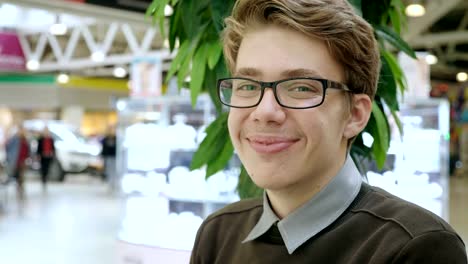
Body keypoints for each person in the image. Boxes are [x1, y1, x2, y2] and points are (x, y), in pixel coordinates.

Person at [190, 0, 467, 263]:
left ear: (355, 115)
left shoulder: (414, 248)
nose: (264, 112)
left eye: (300, 87)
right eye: (248, 86)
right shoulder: (218, 234)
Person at [5, 125, 30, 201]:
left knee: (21, 176)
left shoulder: (25, 139)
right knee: (16, 175)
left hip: (23, 160)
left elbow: (28, 149)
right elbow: (7, 146)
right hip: (15, 160)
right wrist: (9, 156)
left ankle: (20, 189)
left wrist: (28, 158)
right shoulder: (14, 138)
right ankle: (19, 188)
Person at [36, 126, 55, 191]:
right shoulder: (41, 139)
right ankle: (43, 180)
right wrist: (38, 155)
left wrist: (52, 154)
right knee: (43, 169)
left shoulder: (51, 139)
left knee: (47, 168)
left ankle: (45, 179)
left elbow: (53, 148)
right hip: (43, 156)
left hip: (49, 156)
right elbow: (38, 148)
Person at [100, 125, 117, 191]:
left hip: (114, 157)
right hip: (107, 157)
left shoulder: (116, 138)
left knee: (113, 170)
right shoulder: (105, 138)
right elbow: (103, 148)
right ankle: (109, 182)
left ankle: (113, 182)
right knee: (108, 170)